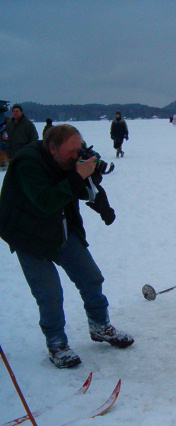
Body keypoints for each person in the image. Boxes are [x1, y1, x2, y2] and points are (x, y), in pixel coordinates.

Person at [0, 124, 134, 368]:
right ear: (51, 148)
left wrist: (90, 173)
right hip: (29, 237)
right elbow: (47, 201)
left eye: (79, 149)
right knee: (49, 294)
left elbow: (79, 191)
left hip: (61, 228)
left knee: (91, 278)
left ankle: (100, 326)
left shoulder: (66, 159)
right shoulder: (27, 164)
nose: (76, 155)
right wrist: (77, 175)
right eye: (71, 152)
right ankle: (57, 343)